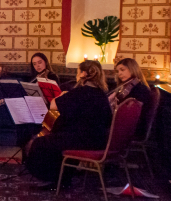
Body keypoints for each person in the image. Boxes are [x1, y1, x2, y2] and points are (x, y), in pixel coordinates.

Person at [24, 59, 112, 187]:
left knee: (42, 142)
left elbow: (54, 106)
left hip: (84, 140)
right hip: (99, 139)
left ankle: (55, 178)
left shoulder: (79, 92)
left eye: (78, 72)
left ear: (83, 74)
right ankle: (65, 177)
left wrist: (61, 96)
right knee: (60, 138)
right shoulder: (101, 94)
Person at [109, 57, 153, 138]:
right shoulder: (126, 87)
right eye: (118, 71)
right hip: (126, 125)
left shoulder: (140, 89)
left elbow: (131, 113)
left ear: (132, 69)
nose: (119, 74)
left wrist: (115, 105)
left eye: (122, 70)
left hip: (133, 128)